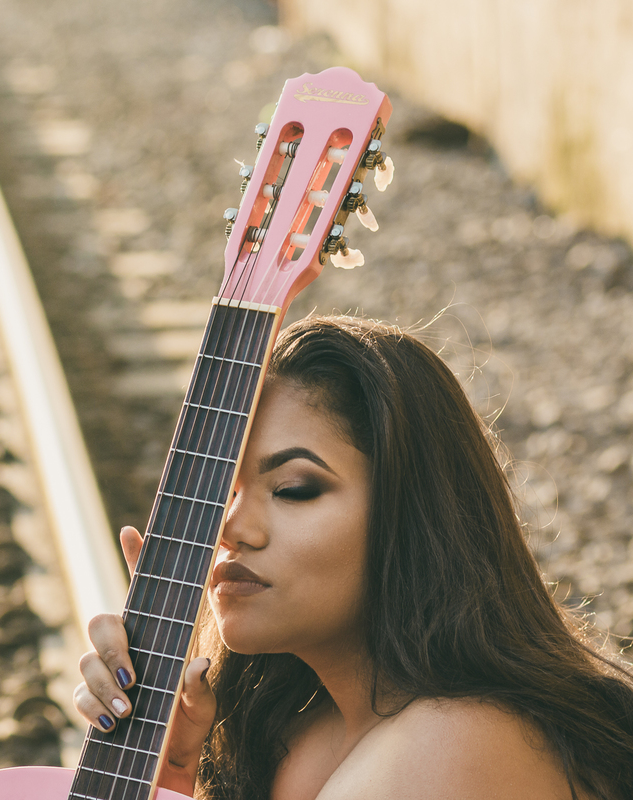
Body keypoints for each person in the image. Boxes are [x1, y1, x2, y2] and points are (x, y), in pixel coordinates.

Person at [74, 315, 633, 800]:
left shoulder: (447, 747)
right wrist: (173, 774)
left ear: (411, 513)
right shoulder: (300, 731)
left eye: (293, 489)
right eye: (224, 492)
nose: (229, 528)